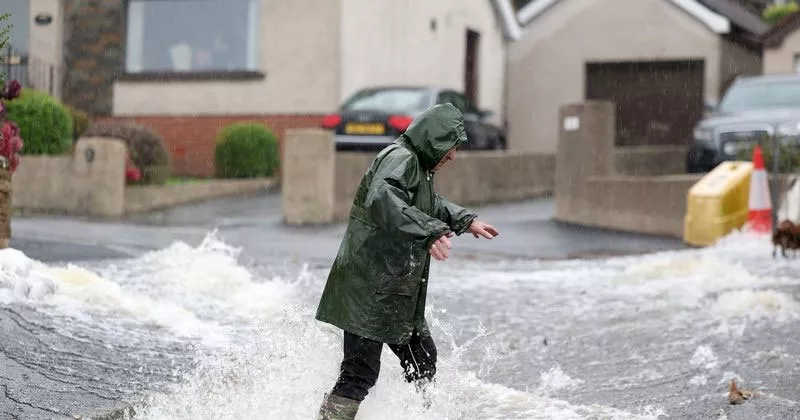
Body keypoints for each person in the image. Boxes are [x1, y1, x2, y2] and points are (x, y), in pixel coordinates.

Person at [315, 103, 500, 420]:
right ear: (435, 140)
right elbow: (382, 198)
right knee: (359, 373)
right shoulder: (399, 158)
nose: (453, 156)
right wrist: (429, 233)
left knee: (423, 360)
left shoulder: (417, 166)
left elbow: (426, 203)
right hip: (368, 291)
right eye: (451, 147)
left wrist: (464, 220)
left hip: (394, 290)